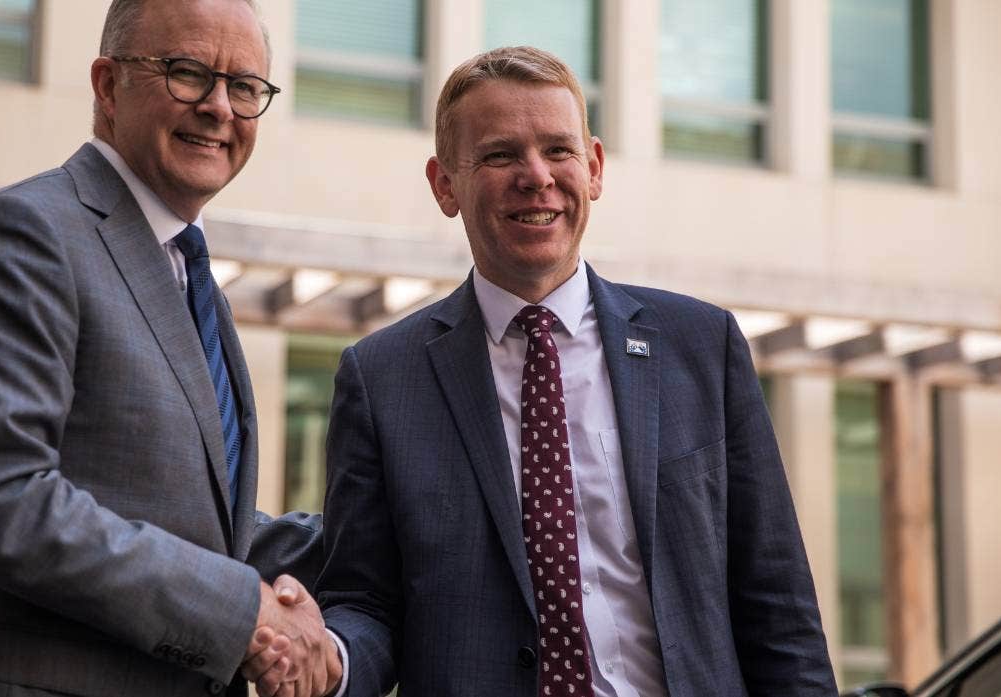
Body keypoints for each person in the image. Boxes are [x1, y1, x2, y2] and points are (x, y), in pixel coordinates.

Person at [317, 46, 838, 697]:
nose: (536, 176)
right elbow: (365, 601)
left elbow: (780, 608)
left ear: (593, 167)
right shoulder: (380, 379)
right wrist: (330, 658)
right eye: (501, 155)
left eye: (558, 150)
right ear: (445, 182)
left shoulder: (704, 348)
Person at [0, 1, 340, 696]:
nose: (220, 107)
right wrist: (236, 608)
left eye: (245, 87)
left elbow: (198, 526)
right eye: (188, 73)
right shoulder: (24, 233)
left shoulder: (188, 275)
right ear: (106, 85)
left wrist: (394, 531)